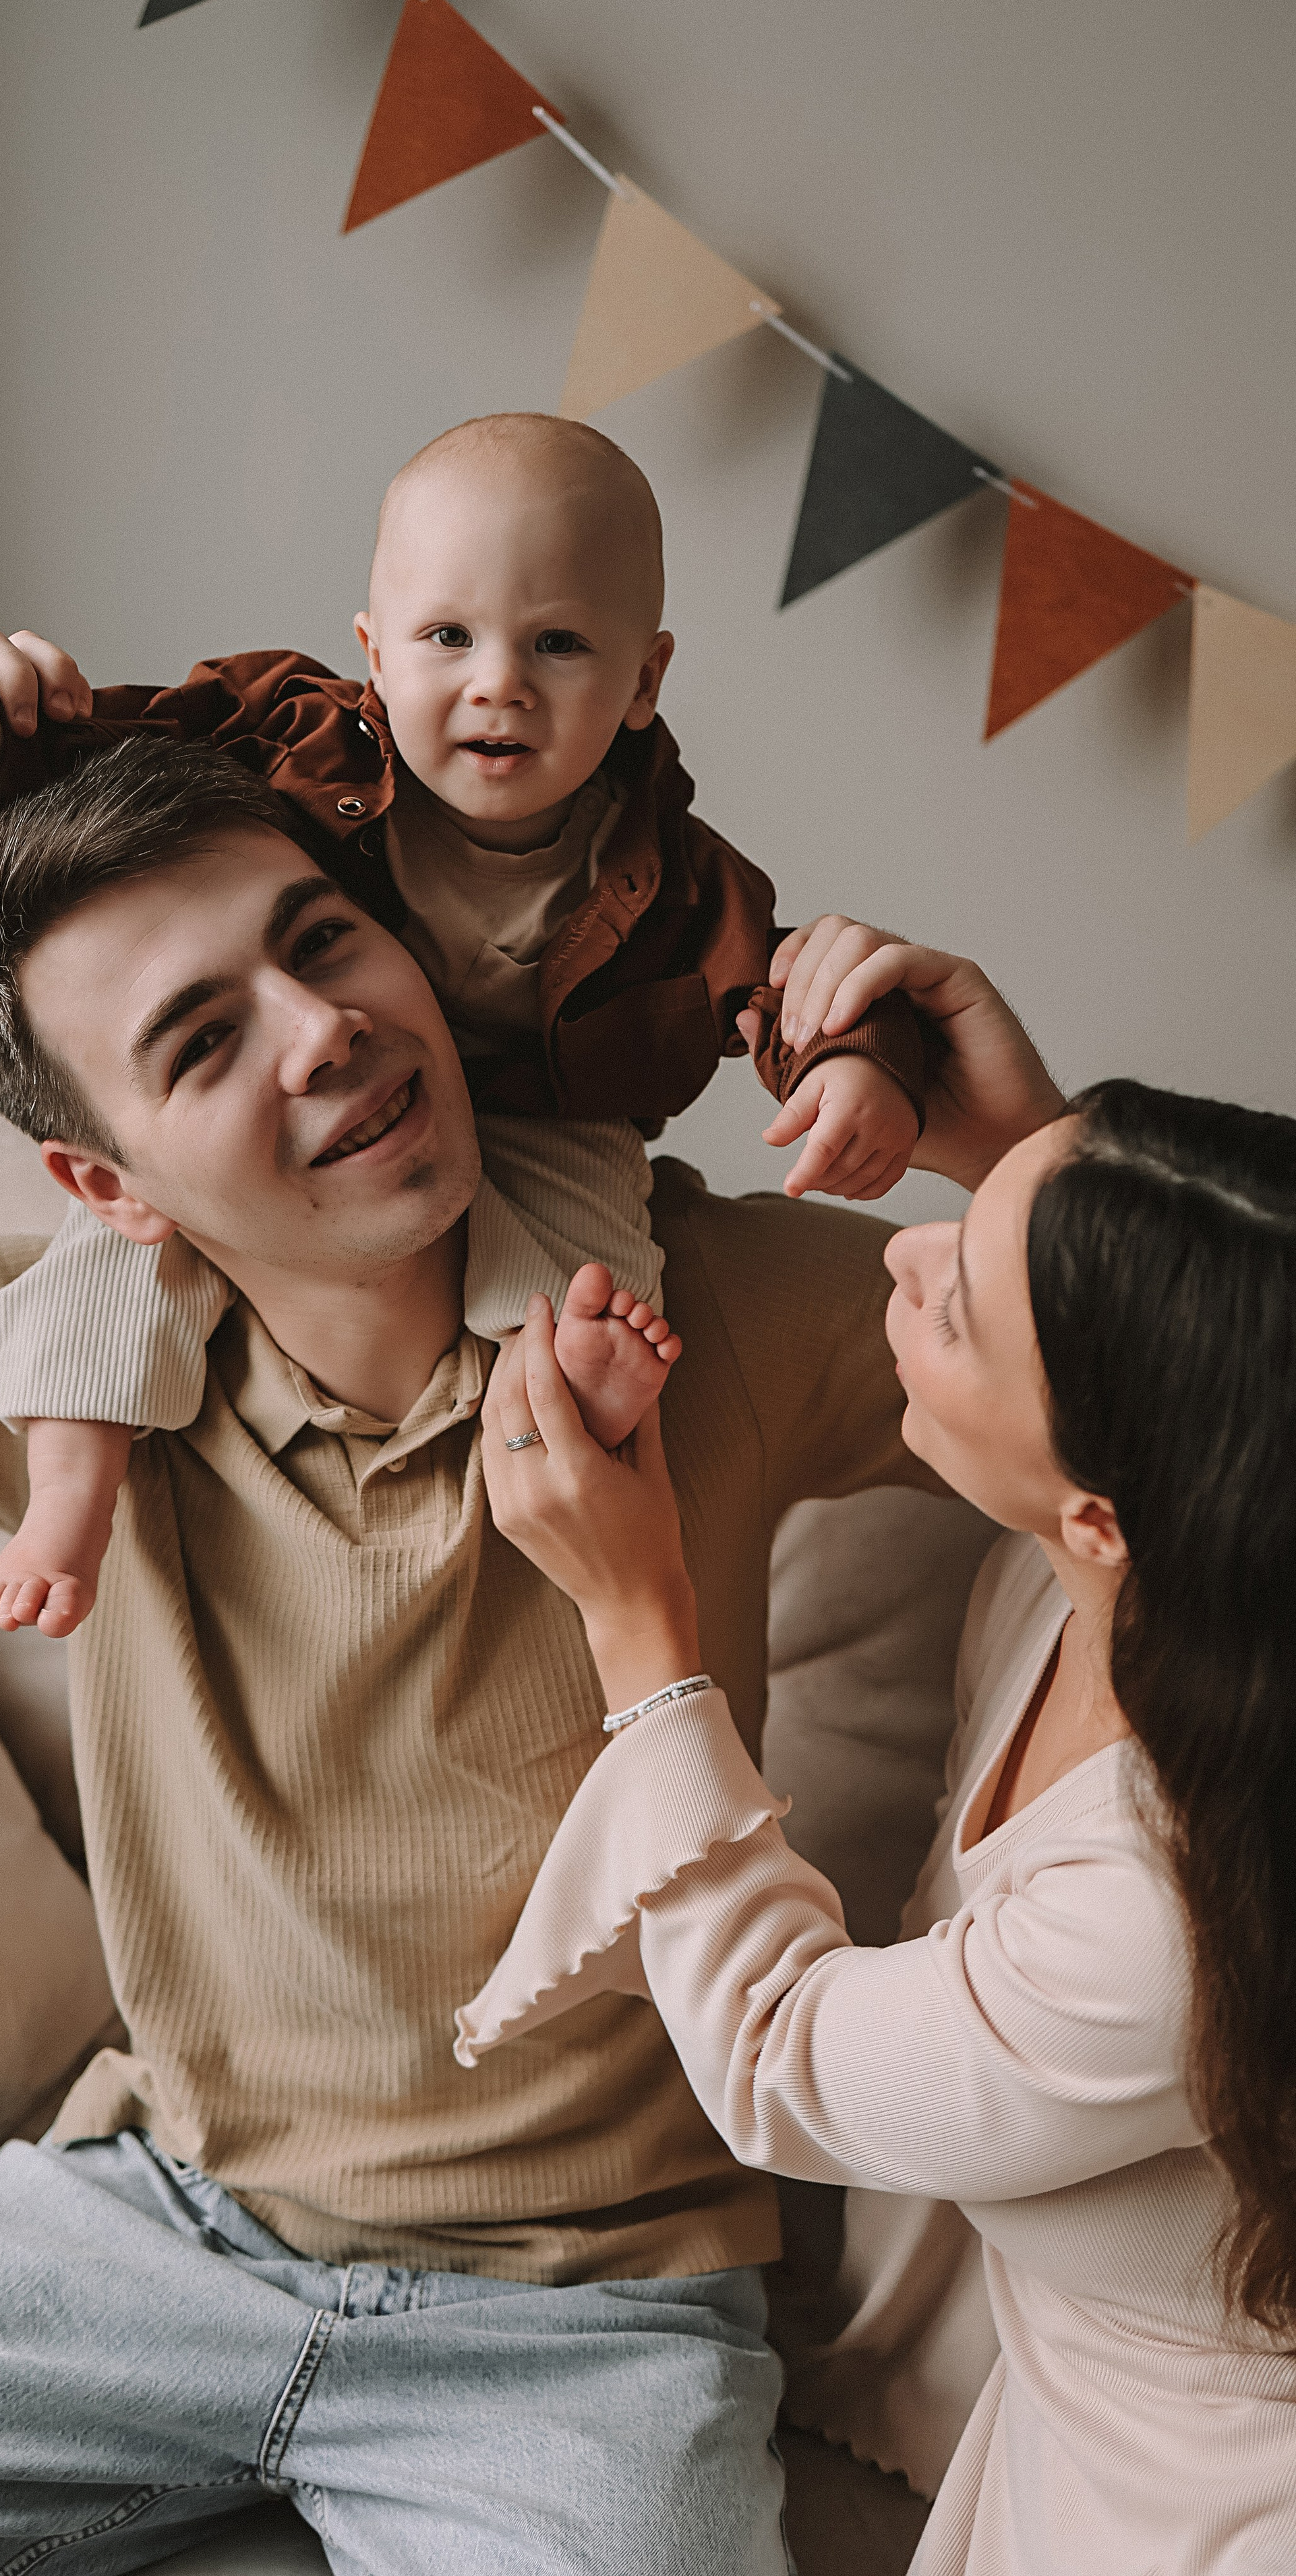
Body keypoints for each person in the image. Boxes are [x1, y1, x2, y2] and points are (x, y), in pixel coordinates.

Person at [0, 638, 1055, 2573]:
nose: (322, 1029)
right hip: (156, 2229)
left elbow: (1174, 1390)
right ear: (107, 1183)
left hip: (585, 2322)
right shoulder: (33, 1360)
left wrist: (1010, 1147)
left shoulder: (704, 1307)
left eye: (324, 946)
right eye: (203, 1040)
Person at [0, 413, 927, 1642]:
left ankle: (581, 1437)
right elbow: (123, 753)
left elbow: (776, 990)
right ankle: (71, 1497)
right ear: (372, 652)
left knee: (596, 1280)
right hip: (357, 1112)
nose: (498, 681)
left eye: (560, 643)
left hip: (543, 1112)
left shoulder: (671, 873)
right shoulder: (297, 742)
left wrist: (856, 1068)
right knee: (113, 1267)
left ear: (644, 683)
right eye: (447, 637)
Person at [457, 982, 1296, 2575]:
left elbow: (781, 2056)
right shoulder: (1130, 1579)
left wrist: (637, 1619)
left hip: (1194, 2508)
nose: (899, 1254)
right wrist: (1020, 1142)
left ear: (1106, 1517)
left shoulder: (1157, 1909)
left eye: (956, 1301)